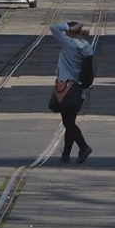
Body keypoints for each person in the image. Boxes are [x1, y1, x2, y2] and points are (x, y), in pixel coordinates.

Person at [49, 20, 94, 164]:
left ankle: (83, 146)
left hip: (66, 89)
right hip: (78, 91)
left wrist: (67, 27)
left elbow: (53, 28)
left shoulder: (69, 44)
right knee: (70, 121)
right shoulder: (87, 47)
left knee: (68, 122)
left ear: (70, 32)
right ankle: (66, 154)